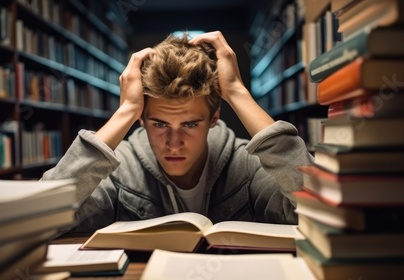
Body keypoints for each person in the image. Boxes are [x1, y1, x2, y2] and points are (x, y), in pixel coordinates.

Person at [41, 31, 313, 233]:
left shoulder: (247, 165)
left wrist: (238, 93)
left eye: (190, 125)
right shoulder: (118, 168)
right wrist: (124, 111)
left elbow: (318, 215)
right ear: (141, 120)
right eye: (159, 124)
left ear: (213, 118)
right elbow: (40, 221)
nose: (173, 144)